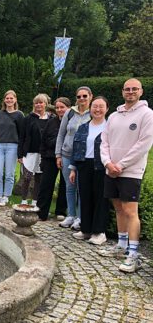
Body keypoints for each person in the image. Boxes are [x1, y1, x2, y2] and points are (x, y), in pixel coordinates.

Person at [98, 79, 153, 273]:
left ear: (141, 91)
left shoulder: (147, 115)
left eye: (134, 89)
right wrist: (107, 163)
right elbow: (104, 142)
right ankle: (121, 246)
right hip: (111, 169)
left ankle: (134, 254)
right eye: (127, 89)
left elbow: (143, 144)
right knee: (119, 208)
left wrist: (120, 165)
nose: (130, 92)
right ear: (122, 92)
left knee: (131, 212)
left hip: (130, 171)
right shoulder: (113, 116)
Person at [68, 96, 109, 244]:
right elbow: (75, 148)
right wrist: (73, 168)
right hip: (84, 164)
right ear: (90, 108)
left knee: (100, 198)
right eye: (95, 106)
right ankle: (86, 229)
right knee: (85, 197)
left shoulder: (109, 127)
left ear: (106, 109)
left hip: (102, 165)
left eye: (101, 106)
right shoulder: (83, 127)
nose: (97, 109)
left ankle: (99, 232)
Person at [55, 86, 92, 230]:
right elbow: (61, 134)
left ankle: (80, 217)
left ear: (90, 96)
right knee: (69, 187)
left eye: (84, 96)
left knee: (81, 188)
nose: (81, 99)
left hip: (83, 157)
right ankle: (70, 215)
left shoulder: (93, 113)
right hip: (66, 154)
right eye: (79, 96)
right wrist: (58, 154)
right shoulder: (70, 113)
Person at [37, 97, 70, 221]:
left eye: (62, 107)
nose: (60, 110)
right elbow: (43, 140)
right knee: (46, 184)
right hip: (50, 157)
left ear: (68, 108)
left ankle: (61, 211)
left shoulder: (72, 121)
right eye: (57, 107)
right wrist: (43, 157)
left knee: (65, 184)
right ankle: (41, 211)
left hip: (67, 157)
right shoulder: (51, 122)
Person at [0, 90, 24, 206]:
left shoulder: (19, 115)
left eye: (11, 98)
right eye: (7, 98)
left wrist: (21, 153)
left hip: (12, 146)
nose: (9, 100)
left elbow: (22, 134)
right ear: (4, 100)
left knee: (9, 174)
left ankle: (6, 196)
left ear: (15, 100)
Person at [18, 94, 50, 206]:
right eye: (36, 103)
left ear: (45, 104)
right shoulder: (28, 118)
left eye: (41, 102)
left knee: (39, 178)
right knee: (27, 177)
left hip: (43, 154)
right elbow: (22, 137)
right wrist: (20, 155)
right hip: (29, 153)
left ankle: (35, 201)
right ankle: (24, 200)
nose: (38, 105)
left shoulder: (50, 119)